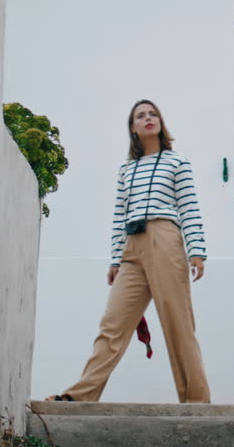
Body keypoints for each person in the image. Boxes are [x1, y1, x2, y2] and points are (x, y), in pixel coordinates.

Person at [46, 99, 210, 403]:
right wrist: (115, 258)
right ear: (133, 128)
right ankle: (80, 396)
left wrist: (196, 251)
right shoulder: (127, 169)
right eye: (140, 116)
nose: (148, 118)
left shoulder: (177, 162)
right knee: (112, 325)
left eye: (153, 114)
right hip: (132, 248)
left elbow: (189, 207)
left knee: (178, 324)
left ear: (160, 122)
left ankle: (196, 402)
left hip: (164, 239)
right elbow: (119, 215)